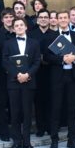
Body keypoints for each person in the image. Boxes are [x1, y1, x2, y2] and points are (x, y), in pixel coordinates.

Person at [45, 10, 75, 148]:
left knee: (72, 110)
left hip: (73, 77)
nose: (62, 20)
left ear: (69, 19)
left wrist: (74, 58)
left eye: (64, 17)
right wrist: (62, 59)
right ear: (56, 20)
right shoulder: (51, 36)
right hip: (58, 77)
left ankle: (71, 140)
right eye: (60, 18)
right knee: (55, 109)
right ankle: (54, 140)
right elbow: (47, 57)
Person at [2, 17, 41, 148]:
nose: (18, 27)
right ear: (13, 29)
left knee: (27, 114)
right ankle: (16, 142)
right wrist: (17, 75)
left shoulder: (34, 43)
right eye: (16, 25)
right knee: (15, 114)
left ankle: (27, 143)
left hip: (29, 83)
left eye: (21, 25)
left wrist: (27, 75)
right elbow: (5, 61)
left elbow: (37, 61)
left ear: (26, 27)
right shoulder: (8, 43)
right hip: (13, 83)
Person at [28, 9, 53, 138]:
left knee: (50, 101)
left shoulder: (55, 34)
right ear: (37, 20)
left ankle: (50, 126)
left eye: (45, 17)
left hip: (51, 72)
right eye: (41, 17)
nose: (43, 19)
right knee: (38, 102)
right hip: (36, 73)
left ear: (49, 19)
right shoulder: (31, 34)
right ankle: (40, 128)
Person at [0, 8, 16, 142]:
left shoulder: (19, 33)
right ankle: (3, 132)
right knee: (1, 104)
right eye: (6, 17)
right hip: (1, 75)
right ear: (2, 20)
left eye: (11, 17)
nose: (9, 19)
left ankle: (15, 131)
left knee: (15, 104)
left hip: (16, 75)